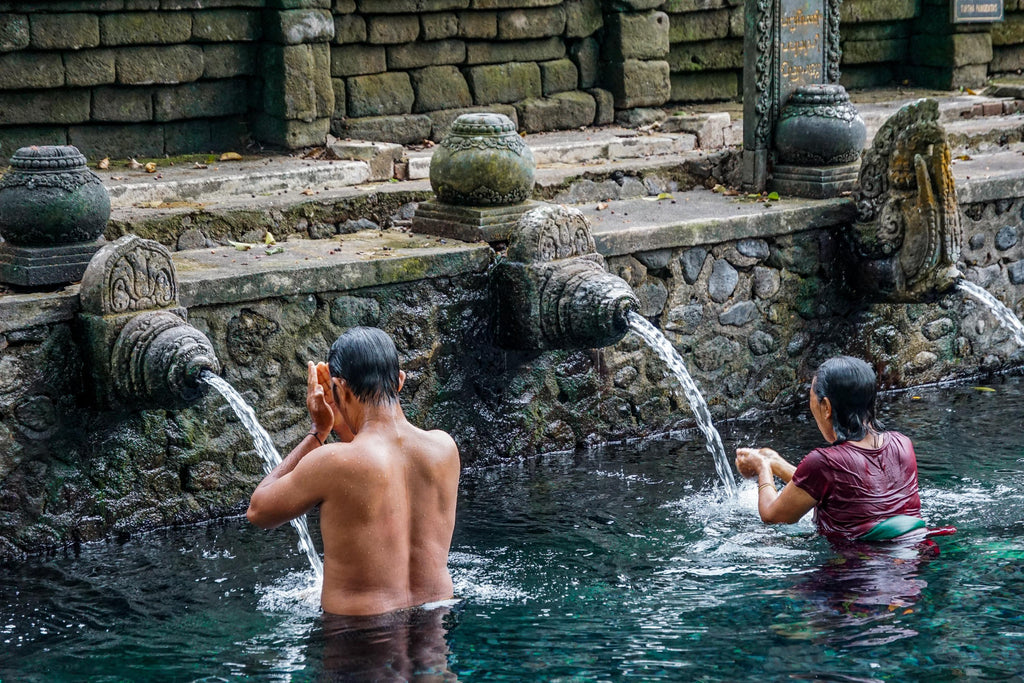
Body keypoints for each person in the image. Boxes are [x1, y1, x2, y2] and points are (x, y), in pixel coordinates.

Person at [247, 326, 461, 616]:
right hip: (435, 625)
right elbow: (378, 468)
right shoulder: (444, 449)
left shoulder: (333, 462)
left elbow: (259, 511)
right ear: (399, 382)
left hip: (358, 641)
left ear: (341, 389)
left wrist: (319, 431)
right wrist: (343, 422)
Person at [734, 355, 932, 544]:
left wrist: (762, 468)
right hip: (916, 554)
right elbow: (841, 488)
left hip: (856, 570)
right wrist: (775, 463)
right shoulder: (902, 444)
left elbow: (772, 516)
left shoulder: (823, 462)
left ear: (826, 407)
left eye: (811, 399)